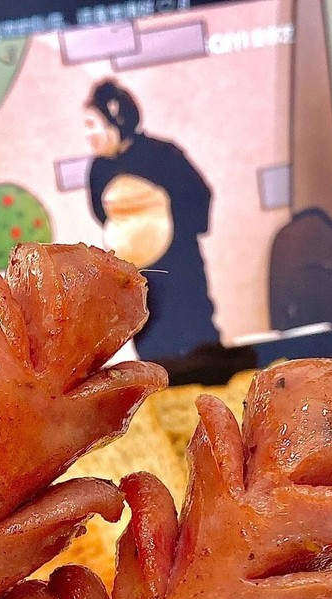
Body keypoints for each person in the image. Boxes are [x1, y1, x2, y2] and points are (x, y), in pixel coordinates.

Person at [85, 80, 255, 384]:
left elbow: (198, 194)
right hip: (140, 273)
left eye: (92, 125)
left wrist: (170, 235)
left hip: (179, 265)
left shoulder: (162, 154)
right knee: (153, 343)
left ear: (116, 119)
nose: (88, 135)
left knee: (197, 337)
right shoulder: (98, 169)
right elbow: (101, 214)